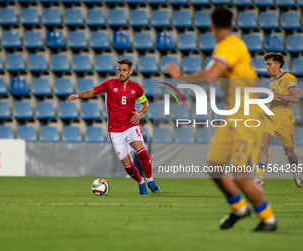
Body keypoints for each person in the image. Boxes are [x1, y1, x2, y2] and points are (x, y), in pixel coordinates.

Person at [165, 7, 276, 231]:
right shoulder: (230, 45)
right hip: (232, 114)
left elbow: (211, 76)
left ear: (212, 26)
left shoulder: (229, 45)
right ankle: (240, 209)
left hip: (247, 115)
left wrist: (180, 76)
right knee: (215, 167)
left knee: (241, 177)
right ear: (232, 24)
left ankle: (268, 219)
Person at [68, 59, 159, 195]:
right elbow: (92, 92)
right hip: (115, 131)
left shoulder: (136, 88)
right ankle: (140, 182)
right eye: (119, 70)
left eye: (124, 70)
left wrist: (140, 113)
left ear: (130, 72)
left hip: (131, 125)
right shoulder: (109, 84)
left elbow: (145, 104)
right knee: (128, 167)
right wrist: (77, 95)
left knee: (142, 151)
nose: (121, 73)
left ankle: (150, 180)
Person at [254, 53, 302, 189]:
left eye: (269, 64)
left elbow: (295, 98)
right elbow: (273, 100)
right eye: (266, 64)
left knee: (289, 152)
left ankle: (296, 171)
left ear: (278, 65)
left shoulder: (289, 78)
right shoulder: (272, 81)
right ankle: (259, 178)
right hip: (271, 119)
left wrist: (275, 95)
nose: (266, 67)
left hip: (285, 121)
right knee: (262, 145)